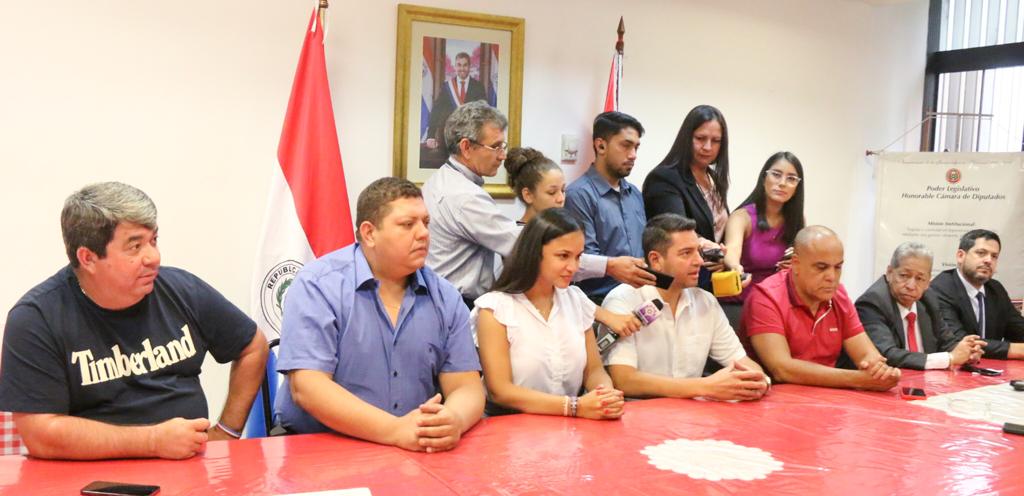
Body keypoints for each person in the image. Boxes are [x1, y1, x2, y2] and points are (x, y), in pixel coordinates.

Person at [0, 182, 267, 460]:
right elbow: (41, 434)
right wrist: (152, 441)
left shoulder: (182, 290)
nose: (153, 257)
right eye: (135, 246)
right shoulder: (36, 318)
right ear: (88, 258)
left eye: (153, 241)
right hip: (89, 476)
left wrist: (226, 431)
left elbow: (252, 346)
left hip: (188, 466)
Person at [275, 178, 485, 452]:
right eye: (408, 225)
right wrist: (394, 431)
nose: (423, 234)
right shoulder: (318, 285)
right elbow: (308, 387)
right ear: (369, 233)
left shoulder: (445, 296)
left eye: (426, 222)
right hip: (321, 447)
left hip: (414, 446)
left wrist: (453, 420)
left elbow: (466, 387)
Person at [422, 101, 654, 307]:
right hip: (456, 303)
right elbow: (528, 249)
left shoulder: (442, 180)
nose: (502, 156)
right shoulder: (464, 196)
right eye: (496, 146)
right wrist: (610, 266)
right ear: (466, 147)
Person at [474, 208, 633, 418]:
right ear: (534, 253)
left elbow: (593, 370)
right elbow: (500, 391)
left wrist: (604, 393)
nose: (573, 267)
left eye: (578, 257)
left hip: (569, 425)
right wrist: (573, 407)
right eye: (563, 256)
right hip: (509, 425)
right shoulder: (495, 308)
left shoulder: (575, 299)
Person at [604, 214, 769, 401]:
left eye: (698, 251)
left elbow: (744, 363)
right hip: (638, 414)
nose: (699, 261)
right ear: (656, 260)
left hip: (693, 418)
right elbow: (624, 380)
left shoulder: (705, 301)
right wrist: (706, 387)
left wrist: (759, 381)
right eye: (686, 253)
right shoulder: (622, 300)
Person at [741, 226, 901, 391]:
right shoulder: (766, 297)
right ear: (796, 264)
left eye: (838, 267)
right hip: (776, 401)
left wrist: (881, 372)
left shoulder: (838, 294)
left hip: (828, 398)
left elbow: (867, 355)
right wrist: (858, 379)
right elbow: (782, 369)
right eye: (821, 267)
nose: (832, 277)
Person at [565, 111, 654, 302]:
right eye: (626, 145)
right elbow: (582, 258)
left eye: (636, 148)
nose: (633, 155)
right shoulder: (579, 194)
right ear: (601, 145)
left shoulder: (635, 193)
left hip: (640, 297)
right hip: (598, 301)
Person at [853, 242, 984, 370]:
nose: (911, 286)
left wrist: (967, 352)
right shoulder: (872, 303)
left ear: (928, 282)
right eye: (904, 276)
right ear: (889, 272)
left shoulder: (928, 299)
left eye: (920, 279)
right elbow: (886, 354)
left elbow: (946, 342)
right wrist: (949, 358)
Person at [642, 105, 732, 290]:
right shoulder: (664, 178)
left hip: (707, 283)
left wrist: (724, 256)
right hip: (675, 283)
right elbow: (676, 231)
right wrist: (710, 249)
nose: (707, 147)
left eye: (715, 141)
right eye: (700, 138)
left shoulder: (713, 178)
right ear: (686, 138)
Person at [720, 151, 807, 327]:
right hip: (738, 304)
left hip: (775, 303)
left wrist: (793, 266)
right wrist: (736, 267)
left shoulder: (798, 220)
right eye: (776, 175)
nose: (782, 183)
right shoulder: (742, 217)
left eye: (791, 179)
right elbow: (732, 251)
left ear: (797, 186)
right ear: (764, 178)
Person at [930, 230, 1024, 360]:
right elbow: (960, 342)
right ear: (960, 256)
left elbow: (1019, 329)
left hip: (993, 371)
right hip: (954, 371)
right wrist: (1017, 350)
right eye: (981, 253)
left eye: (994, 256)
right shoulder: (941, 288)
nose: (988, 260)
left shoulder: (995, 288)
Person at [424, 52, 488, 158]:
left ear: (469, 66)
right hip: (449, 139)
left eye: (465, 65)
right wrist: (430, 135)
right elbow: (437, 111)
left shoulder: (478, 87)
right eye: (459, 65)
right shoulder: (446, 87)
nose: (462, 68)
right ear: (455, 66)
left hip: (471, 140)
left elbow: (484, 114)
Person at [504, 147, 565, 225]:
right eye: (552, 192)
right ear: (528, 195)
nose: (561, 199)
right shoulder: (516, 235)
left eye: (563, 190)